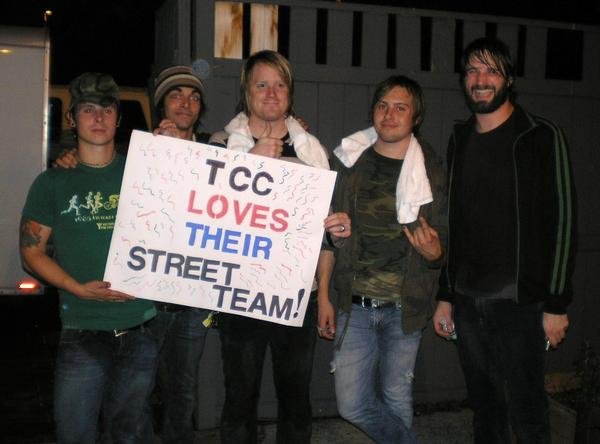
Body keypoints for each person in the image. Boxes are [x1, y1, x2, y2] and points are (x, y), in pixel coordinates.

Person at [54, 65, 213, 443]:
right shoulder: (137, 156)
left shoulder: (218, 152)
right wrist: (68, 157)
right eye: (176, 95)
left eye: (193, 97)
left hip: (193, 301)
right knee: (134, 396)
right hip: (144, 300)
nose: (185, 103)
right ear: (161, 106)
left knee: (182, 392)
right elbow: (96, 166)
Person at [432, 37, 574, 443]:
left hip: (519, 302)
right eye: (472, 70)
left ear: (508, 79)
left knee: (527, 412)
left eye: (491, 70)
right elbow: (454, 222)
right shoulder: (460, 138)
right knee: (485, 410)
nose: (480, 79)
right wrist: (446, 295)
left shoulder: (541, 136)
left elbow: (564, 222)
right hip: (467, 299)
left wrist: (556, 304)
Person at [209, 49, 351, 443]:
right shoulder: (221, 144)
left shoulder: (312, 150)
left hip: (297, 297)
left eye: (280, 84)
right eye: (262, 84)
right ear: (247, 91)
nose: (271, 93)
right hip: (240, 294)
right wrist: (248, 164)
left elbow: (324, 235)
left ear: (290, 92)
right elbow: (205, 218)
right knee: (239, 398)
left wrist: (324, 293)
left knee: (295, 399)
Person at [19, 72, 158, 443]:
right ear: (72, 118)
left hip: (140, 328)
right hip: (82, 330)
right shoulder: (52, 182)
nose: (98, 117)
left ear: (118, 118)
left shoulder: (145, 174)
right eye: (88, 109)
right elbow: (30, 251)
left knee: (126, 435)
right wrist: (77, 288)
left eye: (107, 109)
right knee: (74, 434)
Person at [319, 75, 447, 443]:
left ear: (416, 117)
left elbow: (445, 241)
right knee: (351, 404)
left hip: (405, 308)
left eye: (400, 107)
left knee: (396, 398)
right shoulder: (348, 161)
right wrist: (323, 295)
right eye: (382, 105)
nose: (389, 114)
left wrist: (435, 253)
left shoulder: (431, 169)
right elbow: (327, 236)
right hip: (354, 304)